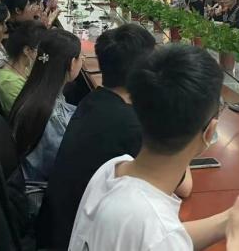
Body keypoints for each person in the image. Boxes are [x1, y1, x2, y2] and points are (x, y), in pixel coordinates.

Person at [68, 45, 239, 251]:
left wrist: (229, 220)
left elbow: (164, 238)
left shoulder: (112, 169)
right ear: (209, 132)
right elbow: (160, 239)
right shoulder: (154, 230)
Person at [37, 24, 191, 249]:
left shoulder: (92, 100)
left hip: (60, 229)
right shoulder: (130, 124)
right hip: (79, 239)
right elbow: (184, 187)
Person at [10, 29, 81, 182]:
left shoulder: (38, 90)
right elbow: (63, 166)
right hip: (38, 189)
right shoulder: (51, 114)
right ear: (72, 64)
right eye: (80, 58)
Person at [0, 20, 47, 114]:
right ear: (27, 50)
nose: (44, 55)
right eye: (42, 50)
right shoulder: (9, 82)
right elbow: (33, 115)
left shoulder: (25, 68)